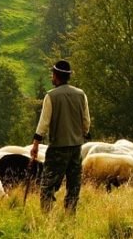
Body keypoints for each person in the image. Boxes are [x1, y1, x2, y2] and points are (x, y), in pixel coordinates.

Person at [30, 59, 91, 214]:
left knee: (48, 184)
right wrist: (82, 134)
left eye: (52, 74)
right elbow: (86, 121)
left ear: (56, 76)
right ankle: (70, 214)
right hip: (76, 147)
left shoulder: (51, 96)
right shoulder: (80, 94)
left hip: (57, 148)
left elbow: (43, 123)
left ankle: (47, 216)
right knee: (74, 184)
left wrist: (36, 143)